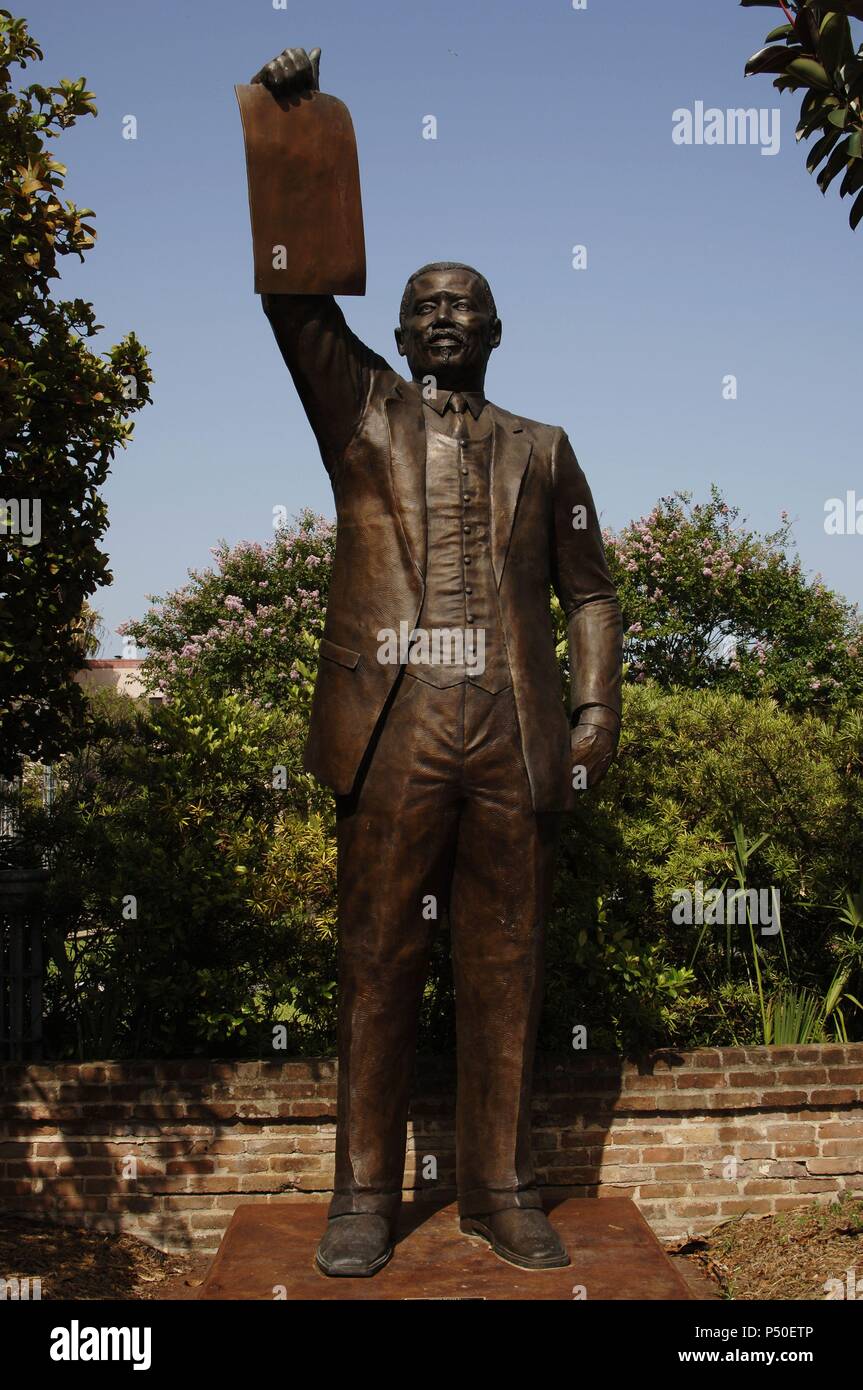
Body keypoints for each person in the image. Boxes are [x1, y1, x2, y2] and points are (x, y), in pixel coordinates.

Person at [251, 46, 623, 1278]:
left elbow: (590, 591)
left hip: (509, 727)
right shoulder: (358, 412)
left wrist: (593, 713)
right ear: (401, 330)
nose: (444, 316)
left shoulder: (546, 448)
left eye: (464, 302)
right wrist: (297, 133)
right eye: (424, 303)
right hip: (397, 716)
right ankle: (361, 1194)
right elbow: (297, 301)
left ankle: (499, 1189)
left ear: (496, 328)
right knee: (377, 955)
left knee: (506, 962)